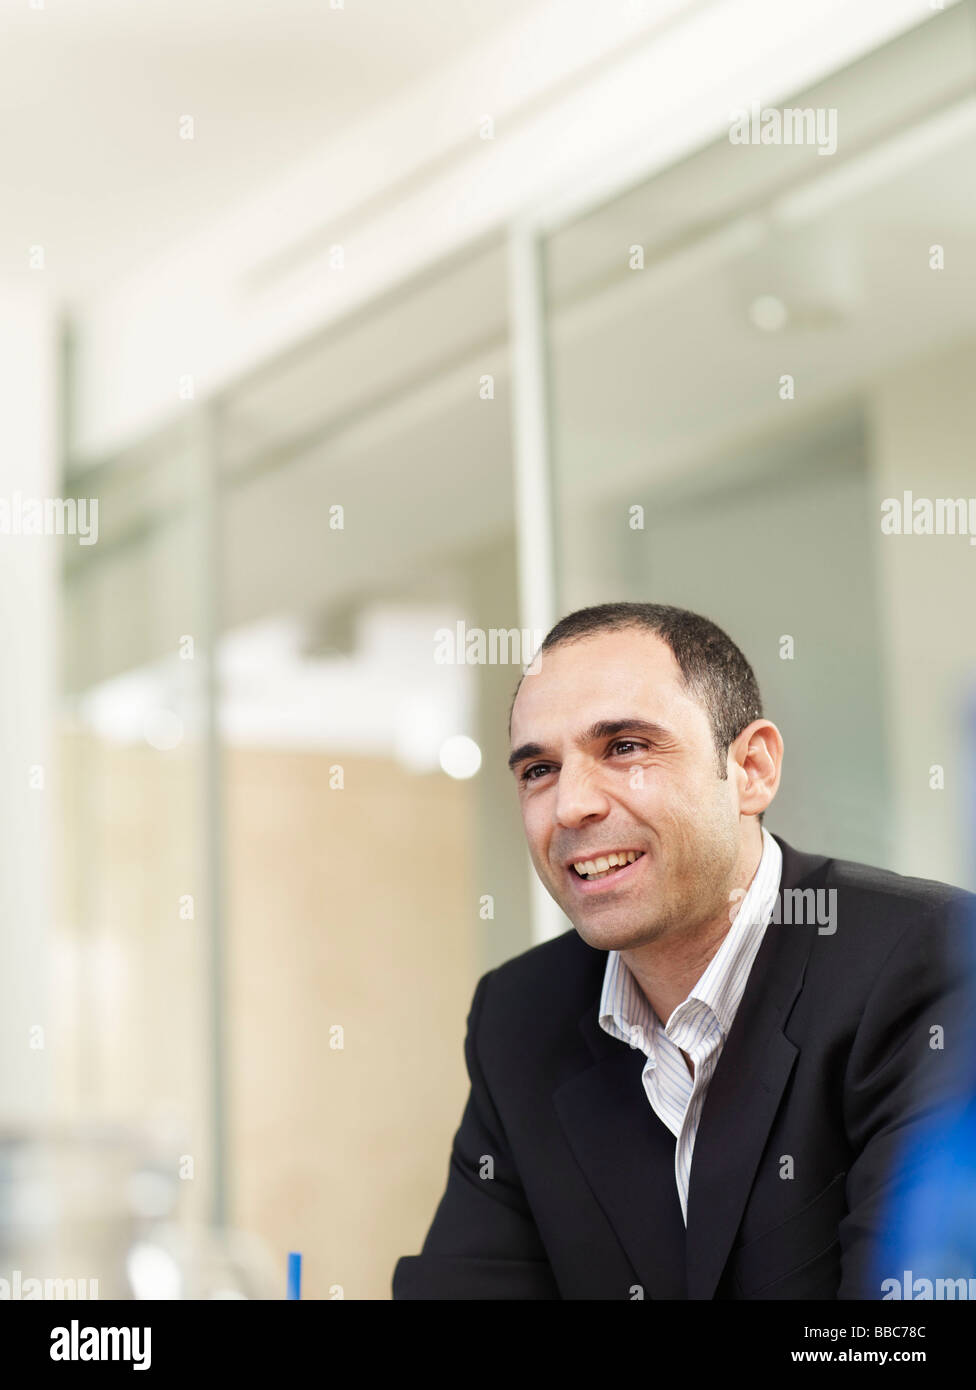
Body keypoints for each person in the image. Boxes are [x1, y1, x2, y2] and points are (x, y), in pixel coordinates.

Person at [392, 602, 976, 1299]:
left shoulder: (927, 962)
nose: (572, 805)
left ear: (752, 769)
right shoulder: (518, 1016)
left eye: (626, 748)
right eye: (539, 769)